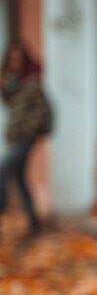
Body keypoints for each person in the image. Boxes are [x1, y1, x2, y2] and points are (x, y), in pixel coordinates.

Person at [0, 41, 52, 235]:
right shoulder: (15, 83)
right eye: (12, 60)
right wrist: (6, 85)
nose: (15, 64)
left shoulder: (32, 83)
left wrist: (30, 130)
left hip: (24, 139)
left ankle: (1, 208)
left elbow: (44, 110)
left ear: (25, 61)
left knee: (3, 169)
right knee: (19, 179)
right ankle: (34, 223)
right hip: (15, 137)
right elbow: (11, 105)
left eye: (19, 60)